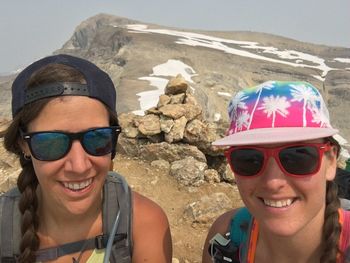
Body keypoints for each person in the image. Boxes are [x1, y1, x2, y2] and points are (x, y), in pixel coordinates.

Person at [0, 54, 172, 263]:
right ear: (23, 144)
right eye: (51, 142)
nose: (79, 166)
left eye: (97, 138)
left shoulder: (143, 224)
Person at [202, 81, 350, 263]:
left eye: (297, 158)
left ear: (331, 162)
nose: (273, 182)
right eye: (250, 159)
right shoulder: (226, 237)